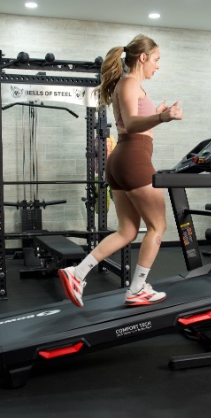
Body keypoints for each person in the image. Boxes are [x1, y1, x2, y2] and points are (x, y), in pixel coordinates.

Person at [58, 34, 183, 307]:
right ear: (143, 57)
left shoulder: (130, 85)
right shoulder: (128, 83)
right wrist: (162, 116)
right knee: (158, 226)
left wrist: (156, 113)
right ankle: (137, 289)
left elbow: (136, 121)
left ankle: (77, 273)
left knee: (127, 230)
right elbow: (131, 123)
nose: (158, 65)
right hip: (132, 158)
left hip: (124, 159)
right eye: (157, 59)